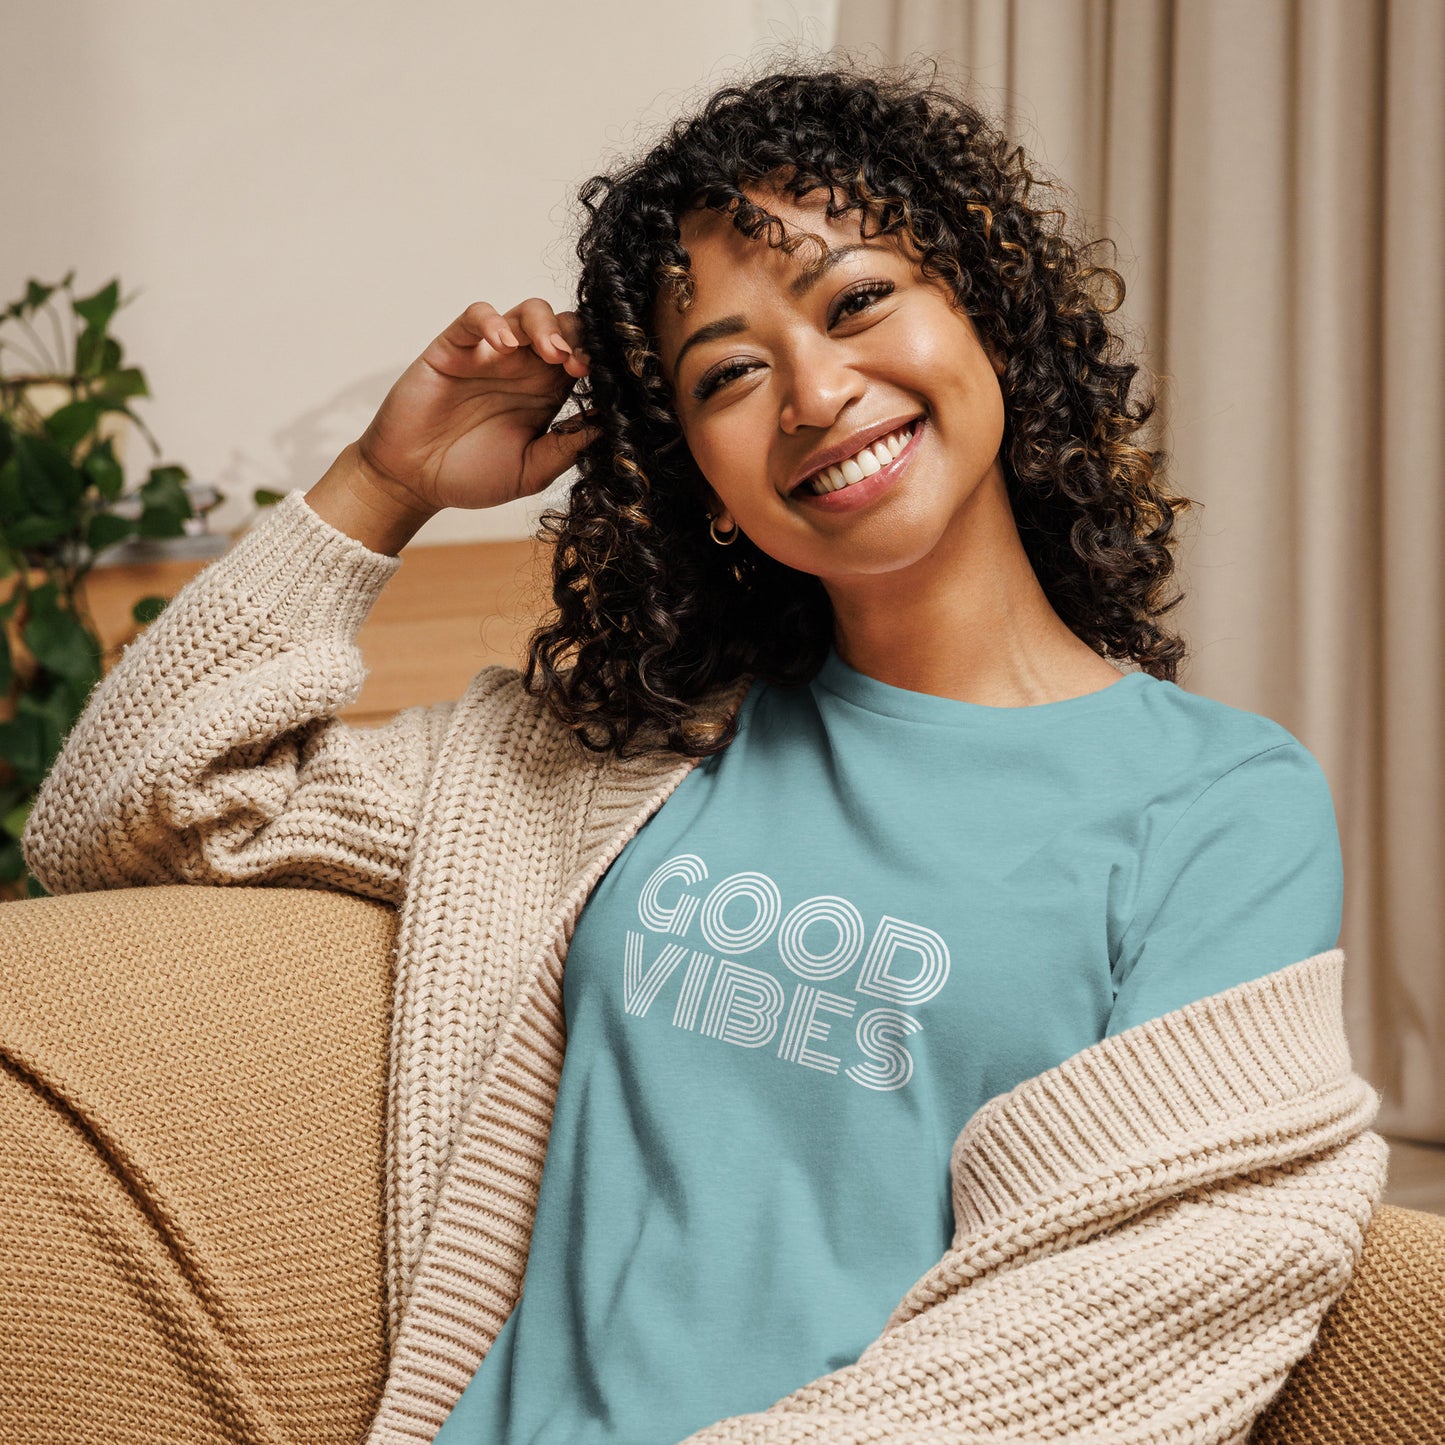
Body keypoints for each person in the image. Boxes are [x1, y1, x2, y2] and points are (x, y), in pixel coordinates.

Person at [14, 59, 1386, 1445]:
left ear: (986, 314)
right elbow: (127, 814)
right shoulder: (614, 762)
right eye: (728, 372)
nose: (811, 390)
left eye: (858, 300)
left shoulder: (1215, 801)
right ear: (703, 481)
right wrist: (383, 483)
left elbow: (1139, 1298)